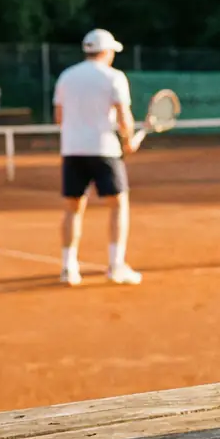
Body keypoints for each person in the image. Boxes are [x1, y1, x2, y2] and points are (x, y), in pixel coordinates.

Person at [53, 28, 142, 286]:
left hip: (72, 150)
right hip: (104, 151)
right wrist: (127, 139)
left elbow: (59, 118)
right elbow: (124, 116)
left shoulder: (66, 77)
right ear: (106, 51)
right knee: (118, 205)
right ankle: (116, 266)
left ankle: (68, 268)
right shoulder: (114, 77)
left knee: (72, 209)